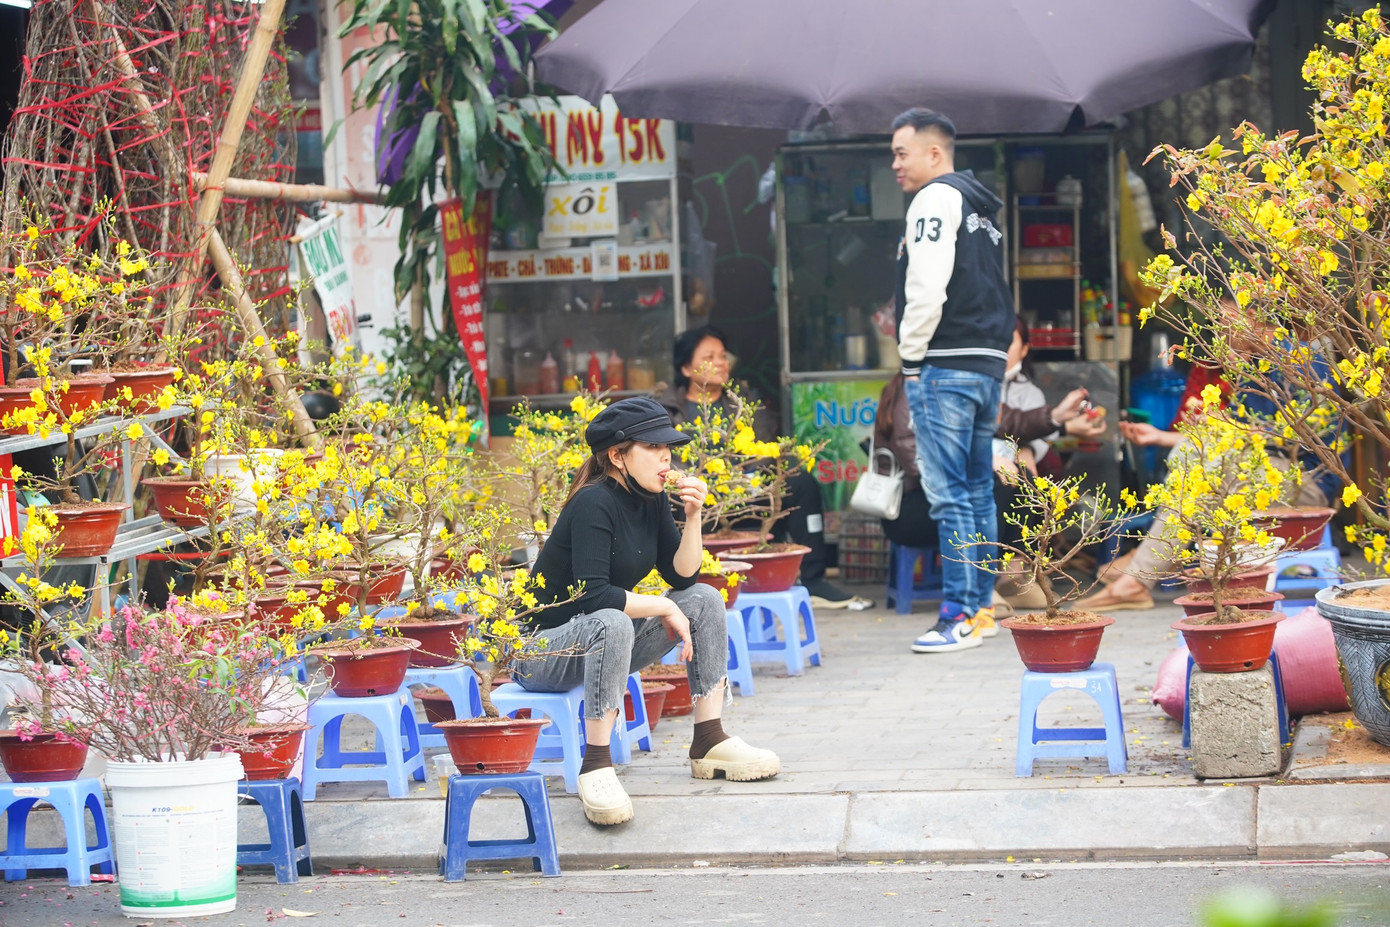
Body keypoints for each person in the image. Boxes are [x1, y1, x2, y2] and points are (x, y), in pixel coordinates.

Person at [517, 396, 780, 826]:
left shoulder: (651, 497)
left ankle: (709, 738)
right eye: (653, 448)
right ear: (618, 456)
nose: (666, 458)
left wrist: (693, 516)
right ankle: (597, 764)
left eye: (669, 448)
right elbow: (593, 597)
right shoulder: (592, 503)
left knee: (704, 599)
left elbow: (682, 577)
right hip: (539, 653)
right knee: (612, 618)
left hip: (600, 642)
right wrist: (660, 607)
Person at [1078, 308, 1339, 612]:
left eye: (1227, 325)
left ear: (1254, 317)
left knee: (1208, 473)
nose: (1221, 335)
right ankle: (1139, 575)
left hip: (1304, 479)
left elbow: (1306, 435)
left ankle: (1139, 573)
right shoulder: (1251, 368)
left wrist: (1229, 426)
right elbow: (1236, 435)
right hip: (1257, 471)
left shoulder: (1303, 361)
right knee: (1200, 468)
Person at [890, 107, 1016, 653]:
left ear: (934, 153)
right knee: (975, 489)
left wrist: (911, 359)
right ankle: (982, 607)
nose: (894, 164)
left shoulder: (934, 199)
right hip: (987, 364)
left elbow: (927, 286)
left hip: (945, 362)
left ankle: (960, 613)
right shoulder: (979, 208)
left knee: (948, 495)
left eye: (901, 152)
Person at [656, 325, 875, 610]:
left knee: (801, 482)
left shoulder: (742, 402)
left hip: (746, 492)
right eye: (710, 356)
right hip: (693, 501)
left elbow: (763, 452)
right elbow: (661, 458)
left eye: (723, 355)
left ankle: (814, 578)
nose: (721, 362)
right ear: (686, 368)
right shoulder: (665, 409)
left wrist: (738, 478)